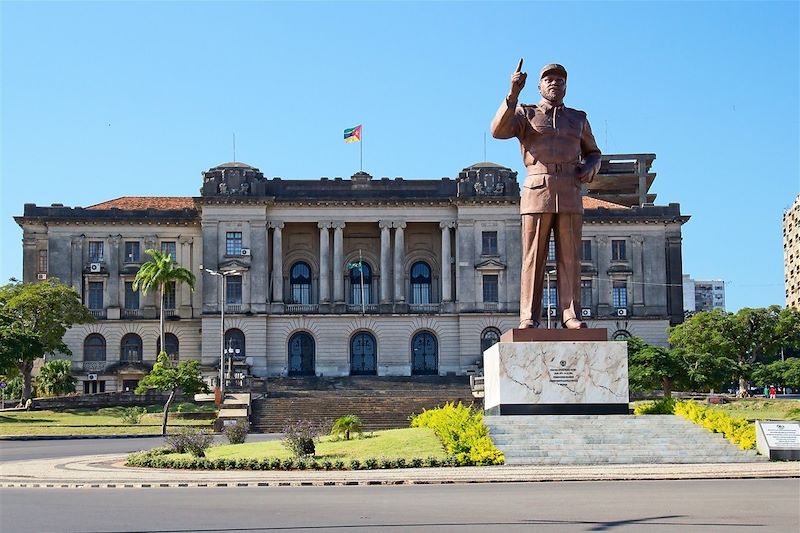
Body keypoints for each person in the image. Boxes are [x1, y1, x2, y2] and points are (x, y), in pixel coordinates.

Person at [491, 60, 601, 329]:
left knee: (570, 259)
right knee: (533, 258)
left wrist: (590, 166)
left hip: (569, 189)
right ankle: (528, 316)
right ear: (539, 86)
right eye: (549, 79)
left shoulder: (578, 119)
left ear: (566, 86)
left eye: (560, 80)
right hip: (537, 188)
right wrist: (513, 93)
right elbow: (497, 131)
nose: (554, 83)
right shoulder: (525, 113)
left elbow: (594, 152)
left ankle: (570, 314)